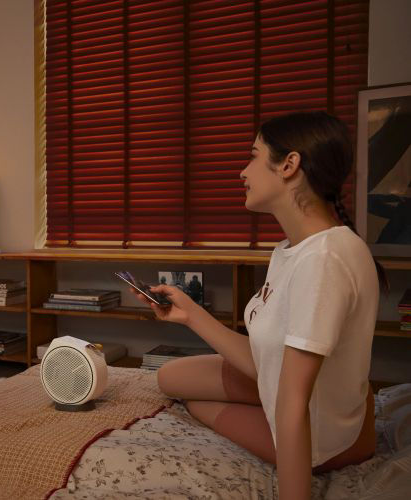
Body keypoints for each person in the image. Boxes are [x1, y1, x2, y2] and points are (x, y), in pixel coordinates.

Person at [129, 111, 386, 499]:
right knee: (170, 379)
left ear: (289, 165)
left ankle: (348, 442)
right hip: (315, 391)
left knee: (199, 405)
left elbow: (293, 400)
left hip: (327, 433)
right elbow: (264, 361)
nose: (242, 172)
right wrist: (190, 314)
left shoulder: (323, 261)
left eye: (253, 155)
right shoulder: (290, 251)